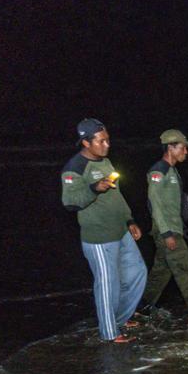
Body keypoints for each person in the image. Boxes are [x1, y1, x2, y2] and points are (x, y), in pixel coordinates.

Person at [61, 118, 146, 343]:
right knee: (108, 285)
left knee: (137, 273)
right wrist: (93, 189)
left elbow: (116, 196)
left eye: (108, 140)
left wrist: (130, 220)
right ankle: (109, 333)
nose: (107, 145)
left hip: (121, 231)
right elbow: (70, 203)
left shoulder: (105, 161)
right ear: (86, 143)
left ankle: (121, 316)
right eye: (101, 141)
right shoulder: (74, 169)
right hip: (98, 238)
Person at [138, 129, 188, 317]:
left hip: (173, 228)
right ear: (171, 147)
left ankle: (143, 306)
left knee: (162, 271)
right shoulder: (159, 171)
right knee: (187, 271)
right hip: (166, 230)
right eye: (183, 148)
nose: (186, 152)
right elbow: (155, 203)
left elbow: (173, 203)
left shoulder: (173, 170)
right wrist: (166, 234)